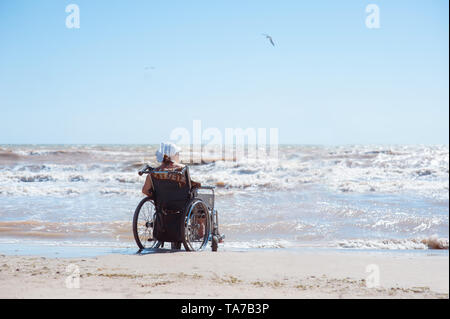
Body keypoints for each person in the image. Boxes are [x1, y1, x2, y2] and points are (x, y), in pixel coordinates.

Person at [141, 142, 205, 237]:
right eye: (178, 153)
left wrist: (157, 197)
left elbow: (145, 191)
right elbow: (190, 187)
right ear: (174, 155)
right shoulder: (182, 169)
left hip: (163, 206)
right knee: (202, 208)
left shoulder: (154, 172)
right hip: (183, 206)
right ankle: (201, 234)